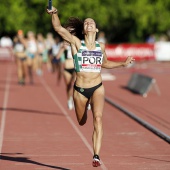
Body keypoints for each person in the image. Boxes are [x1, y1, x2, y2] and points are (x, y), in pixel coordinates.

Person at [46, 6, 135, 167]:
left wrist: (123, 63)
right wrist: (55, 14)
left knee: (99, 118)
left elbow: (105, 63)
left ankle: (96, 155)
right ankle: (85, 105)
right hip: (80, 90)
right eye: (86, 23)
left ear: (96, 28)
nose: (89, 24)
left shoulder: (101, 46)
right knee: (81, 122)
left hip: (97, 87)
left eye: (91, 22)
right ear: (84, 30)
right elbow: (58, 28)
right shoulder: (76, 43)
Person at [56, 41, 76, 110]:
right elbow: (57, 57)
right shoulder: (63, 45)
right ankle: (69, 99)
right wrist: (62, 48)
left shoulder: (76, 43)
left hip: (75, 68)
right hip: (67, 68)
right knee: (68, 85)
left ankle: (77, 100)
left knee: (76, 84)